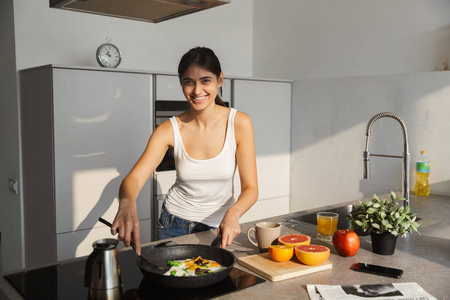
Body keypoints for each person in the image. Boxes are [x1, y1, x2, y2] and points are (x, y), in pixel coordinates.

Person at [111, 47, 258, 255]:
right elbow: (133, 180)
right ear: (181, 84)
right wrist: (127, 203)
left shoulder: (240, 123)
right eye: (189, 82)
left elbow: (251, 188)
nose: (197, 91)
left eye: (205, 80)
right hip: (173, 227)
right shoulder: (169, 130)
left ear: (220, 80)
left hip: (219, 228)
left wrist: (234, 212)